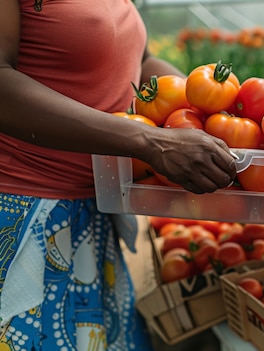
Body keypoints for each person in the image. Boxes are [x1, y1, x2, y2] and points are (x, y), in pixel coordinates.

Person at [0, 0, 237, 350]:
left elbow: (138, 62)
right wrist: (148, 141)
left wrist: (210, 108)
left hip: (91, 217)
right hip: (23, 219)